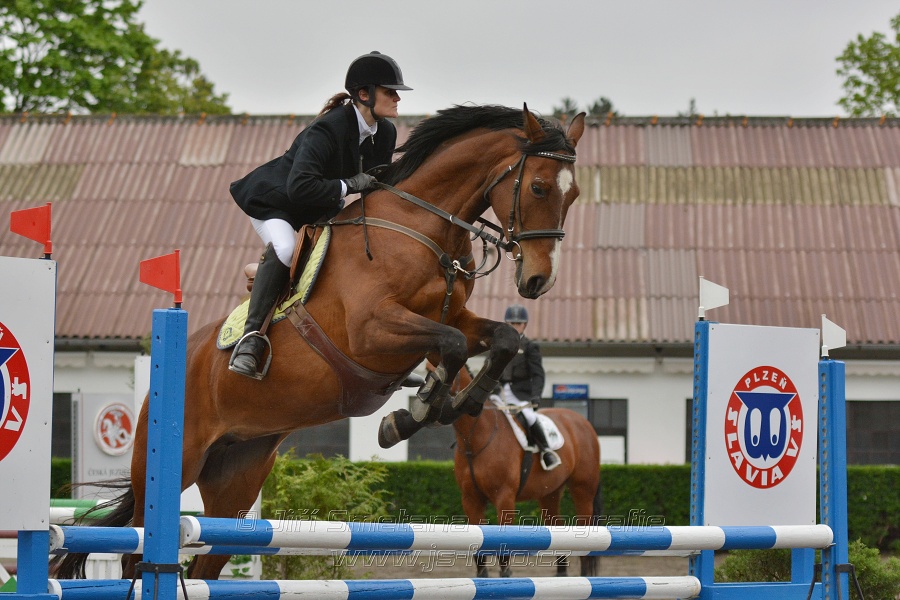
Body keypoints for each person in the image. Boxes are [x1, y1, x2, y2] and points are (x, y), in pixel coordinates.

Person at [228, 51, 412, 379]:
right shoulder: (327, 129)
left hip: (320, 209)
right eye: (390, 91)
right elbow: (300, 187)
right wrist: (348, 185)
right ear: (364, 95)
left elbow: (377, 185)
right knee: (286, 249)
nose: (397, 98)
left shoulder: (385, 132)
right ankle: (250, 339)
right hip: (277, 204)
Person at [499, 304, 561, 470]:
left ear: (524, 325)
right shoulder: (499, 345)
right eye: (511, 323)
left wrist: (536, 396)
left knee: (530, 417)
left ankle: (546, 451)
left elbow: (538, 375)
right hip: (499, 392)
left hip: (520, 394)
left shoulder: (530, 347)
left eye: (518, 324)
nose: (515, 327)